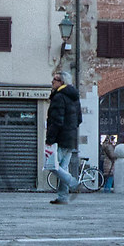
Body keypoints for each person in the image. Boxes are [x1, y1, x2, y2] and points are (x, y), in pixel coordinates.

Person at [44, 72, 83, 204]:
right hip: (71, 138)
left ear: (62, 82)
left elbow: (56, 121)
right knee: (63, 167)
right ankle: (63, 197)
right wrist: (70, 130)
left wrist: (50, 139)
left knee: (53, 166)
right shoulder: (74, 98)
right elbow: (79, 119)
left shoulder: (59, 97)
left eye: (55, 80)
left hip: (60, 139)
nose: (52, 82)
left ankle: (73, 182)